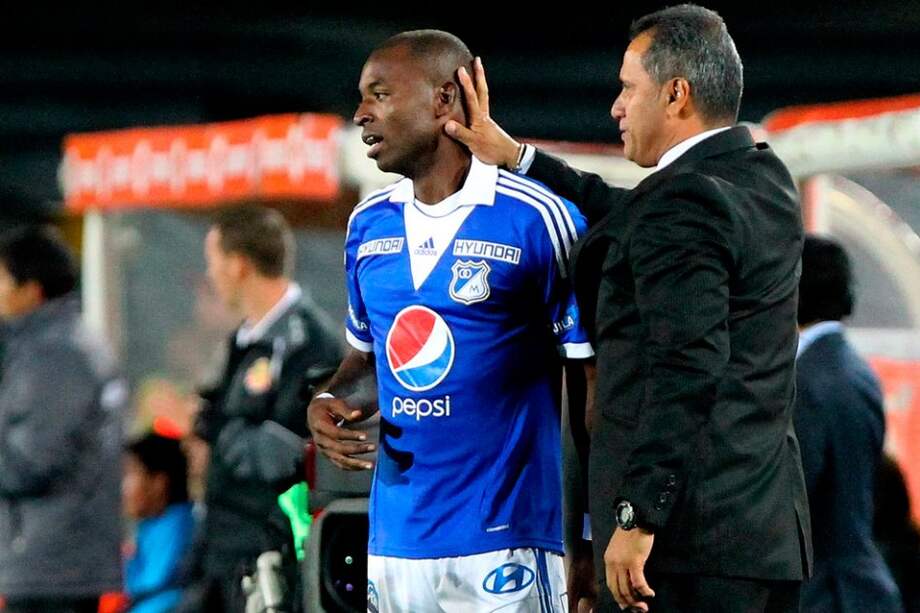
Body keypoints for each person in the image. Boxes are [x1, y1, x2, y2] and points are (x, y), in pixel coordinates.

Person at [446, 5, 812, 612]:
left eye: (627, 88)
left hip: (682, 551)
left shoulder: (685, 205)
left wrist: (636, 516)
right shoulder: (758, 178)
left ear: (676, 94)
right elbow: (629, 214)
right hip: (759, 538)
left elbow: (686, 368)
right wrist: (517, 157)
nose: (616, 106)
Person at [306, 30, 592, 612]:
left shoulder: (539, 219)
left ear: (443, 100)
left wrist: (587, 535)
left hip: (506, 545)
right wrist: (330, 400)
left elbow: (593, 387)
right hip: (395, 543)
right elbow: (369, 361)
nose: (361, 114)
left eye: (380, 94)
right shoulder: (367, 228)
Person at [189, 206, 342, 611]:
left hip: (268, 547)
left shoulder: (309, 342)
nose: (211, 275)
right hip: (224, 545)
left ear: (238, 265)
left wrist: (226, 432)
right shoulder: (244, 340)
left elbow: (296, 452)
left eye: (213, 262)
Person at [0, 226, 124, 613]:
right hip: (51, 559)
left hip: (53, 563)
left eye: (2, 278)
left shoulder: (56, 356)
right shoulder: (49, 346)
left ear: (31, 289)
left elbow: (34, 462)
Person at [794, 235, 902, 612]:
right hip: (854, 588)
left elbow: (795, 496)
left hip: (829, 594)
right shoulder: (848, 368)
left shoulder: (810, 381)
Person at [123, 432, 197, 613]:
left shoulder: (178, 530)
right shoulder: (152, 525)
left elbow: (151, 584)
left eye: (130, 474)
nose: (123, 487)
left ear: (159, 483)